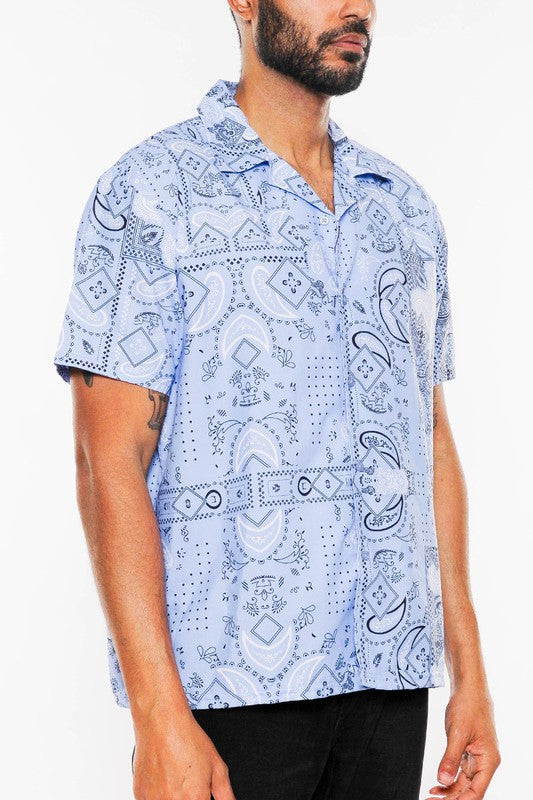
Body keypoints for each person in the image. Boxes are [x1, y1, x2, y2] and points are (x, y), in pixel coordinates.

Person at [52, 1, 501, 798]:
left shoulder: (400, 209)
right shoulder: (151, 195)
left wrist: (469, 675)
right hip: (227, 693)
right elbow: (106, 457)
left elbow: (427, 440)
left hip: (389, 681)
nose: (354, 8)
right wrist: (157, 715)